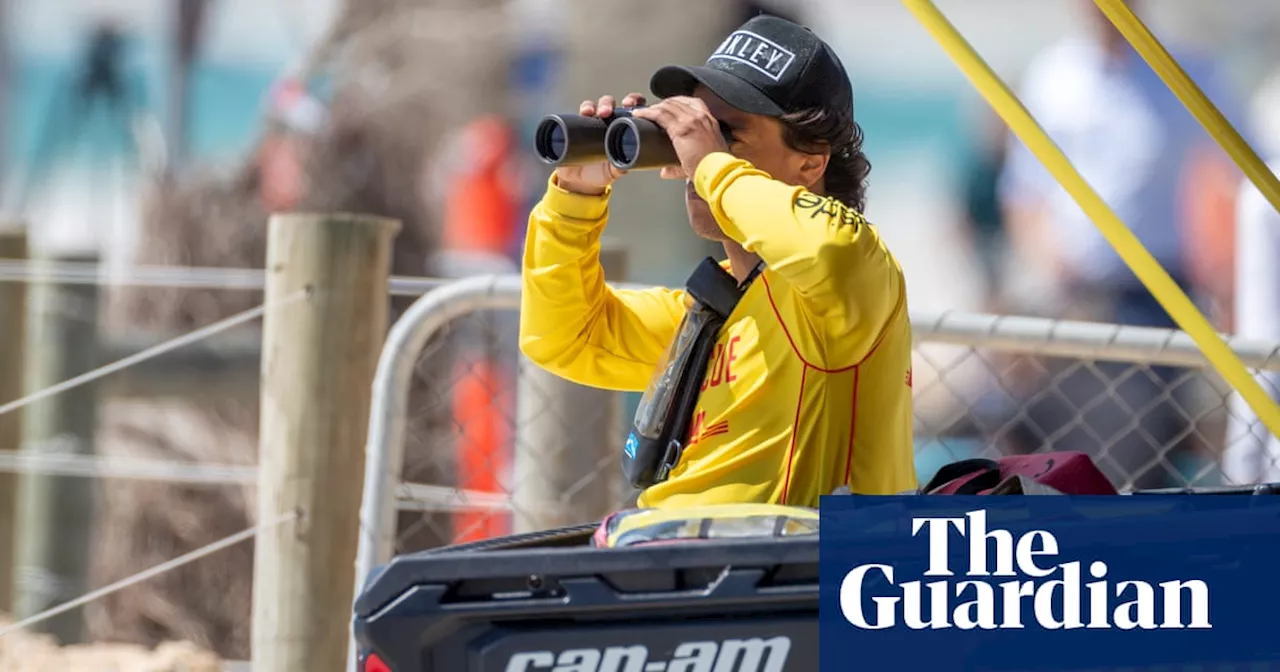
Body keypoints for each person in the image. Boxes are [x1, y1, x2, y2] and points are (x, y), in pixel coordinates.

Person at [518, 14, 917, 509]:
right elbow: (564, 338)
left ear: (812, 162)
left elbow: (825, 249)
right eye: (694, 128)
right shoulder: (716, 309)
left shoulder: (856, 271)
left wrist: (710, 165)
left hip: (785, 570)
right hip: (679, 559)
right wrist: (577, 196)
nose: (693, 152)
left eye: (725, 133)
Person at [994, 0, 1245, 488]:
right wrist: (1050, 273)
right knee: (1071, 446)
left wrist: (1233, 279)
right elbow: (1023, 193)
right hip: (1076, 300)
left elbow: (1249, 173)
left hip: (1161, 297)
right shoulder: (1055, 74)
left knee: (1141, 448)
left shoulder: (1189, 72)